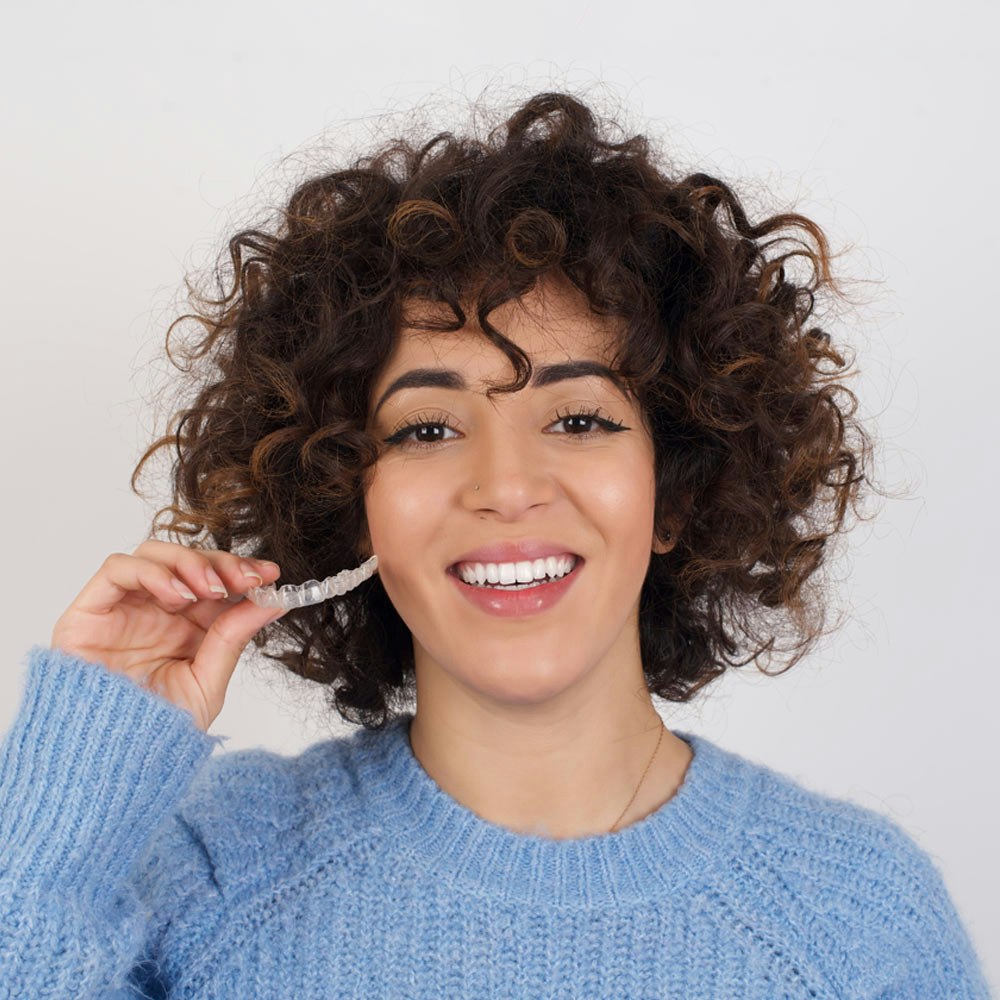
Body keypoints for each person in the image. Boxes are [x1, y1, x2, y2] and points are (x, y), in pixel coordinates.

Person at [0, 91, 990, 998]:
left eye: (580, 419)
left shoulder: (854, 922)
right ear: (354, 502)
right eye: (428, 429)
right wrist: (74, 787)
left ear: (675, 491)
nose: (506, 486)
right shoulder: (207, 875)